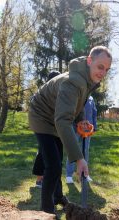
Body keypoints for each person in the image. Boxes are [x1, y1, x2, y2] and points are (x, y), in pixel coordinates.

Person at [28, 46, 112, 214]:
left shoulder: (86, 79)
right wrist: (79, 159)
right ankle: (46, 211)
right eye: (100, 67)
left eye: (107, 69)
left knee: (56, 162)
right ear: (89, 61)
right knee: (52, 165)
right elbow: (63, 121)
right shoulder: (74, 81)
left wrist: (81, 121)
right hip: (42, 116)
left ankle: (58, 197)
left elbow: (77, 103)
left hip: (55, 117)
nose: (103, 72)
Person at [32, 71, 61, 188]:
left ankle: (52, 181)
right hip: (43, 127)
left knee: (54, 154)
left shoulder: (59, 91)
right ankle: (39, 179)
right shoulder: (43, 92)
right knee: (43, 152)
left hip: (55, 128)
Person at [66, 95, 97, 184]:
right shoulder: (76, 95)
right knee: (73, 150)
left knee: (85, 150)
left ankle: (85, 174)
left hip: (88, 129)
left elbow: (94, 113)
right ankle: (69, 175)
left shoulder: (91, 98)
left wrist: (94, 126)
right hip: (75, 128)